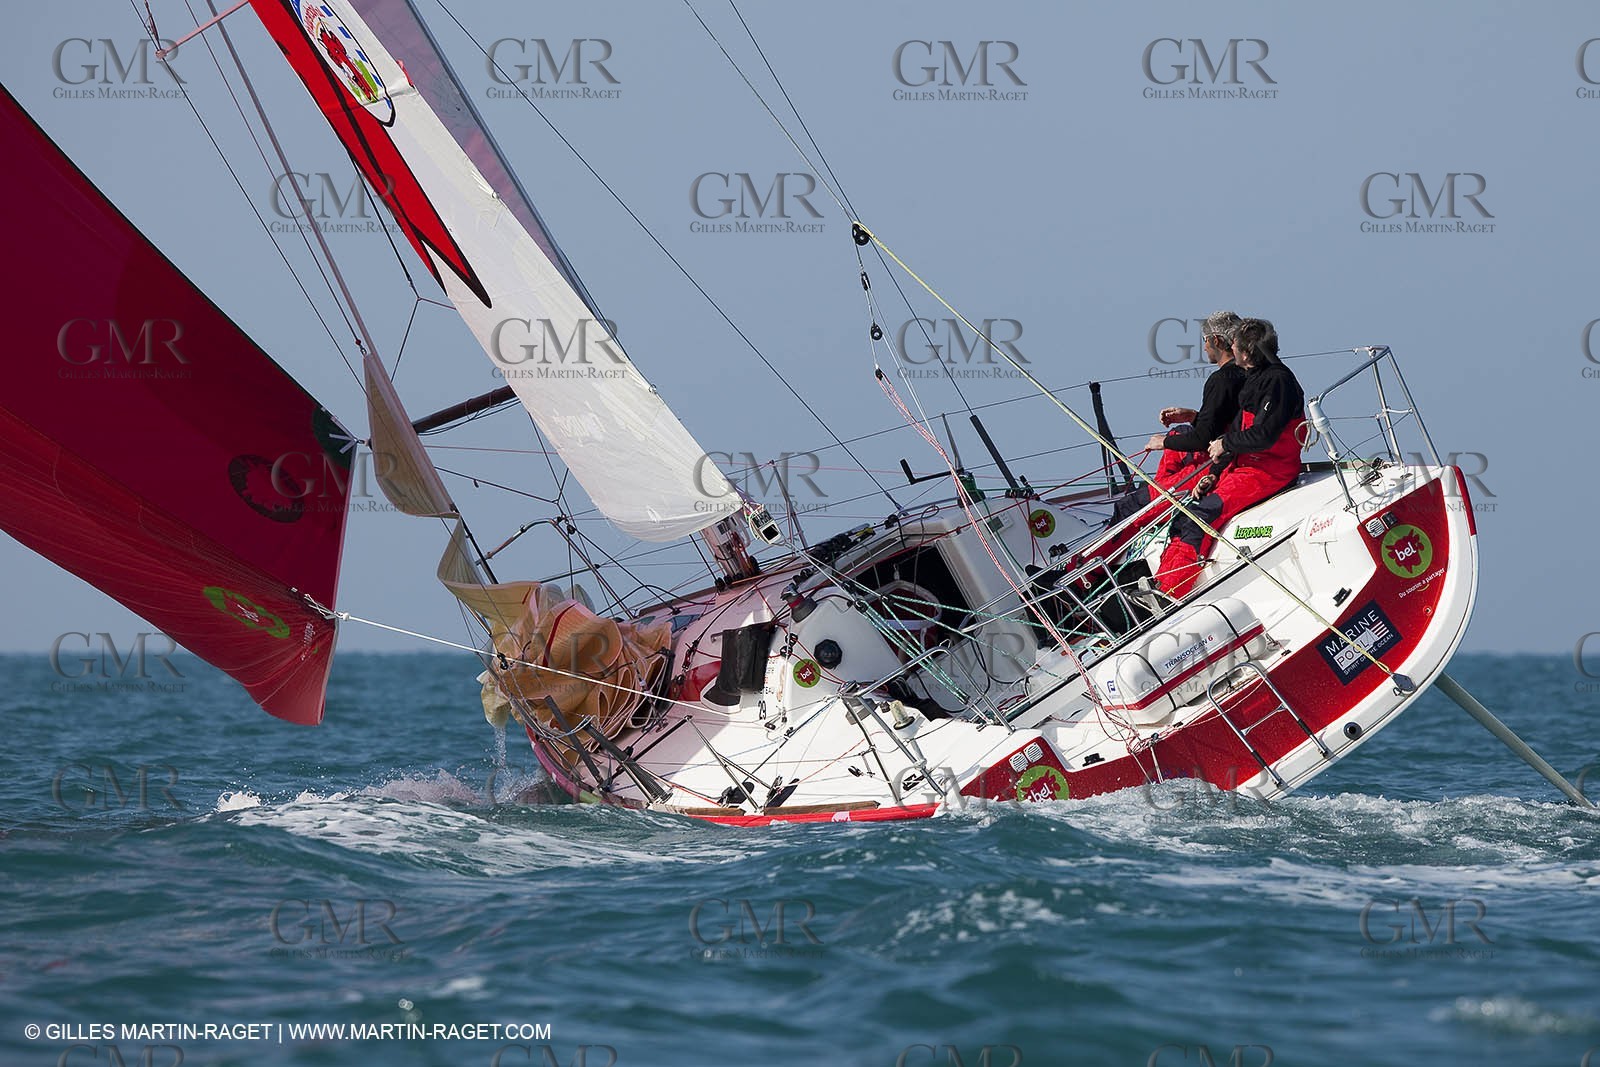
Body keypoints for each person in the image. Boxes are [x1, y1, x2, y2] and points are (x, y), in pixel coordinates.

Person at [1154, 318, 1306, 597]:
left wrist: (1226, 444)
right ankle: (1160, 583)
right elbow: (1240, 430)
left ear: (1247, 353)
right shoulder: (1255, 378)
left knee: (1201, 514)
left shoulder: (1278, 382)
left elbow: (1264, 435)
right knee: (1187, 512)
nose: (1232, 352)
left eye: (1235, 347)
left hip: (1270, 471)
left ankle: (1171, 590)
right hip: (1244, 467)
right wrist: (1214, 473)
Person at [1144, 310, 1246, 499]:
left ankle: (1155, 498)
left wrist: (1163, 443)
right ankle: (1157, 491)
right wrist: (1193, 417)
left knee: (1128, 506)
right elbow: (1227, 422)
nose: (1204, 347)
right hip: (1238, 450)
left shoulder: (1221, 379)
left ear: (1216, 340)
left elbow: (1203, 438)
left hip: (1223, 461)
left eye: (1204, 340)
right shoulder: (1252, 372)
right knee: (1179, 431)